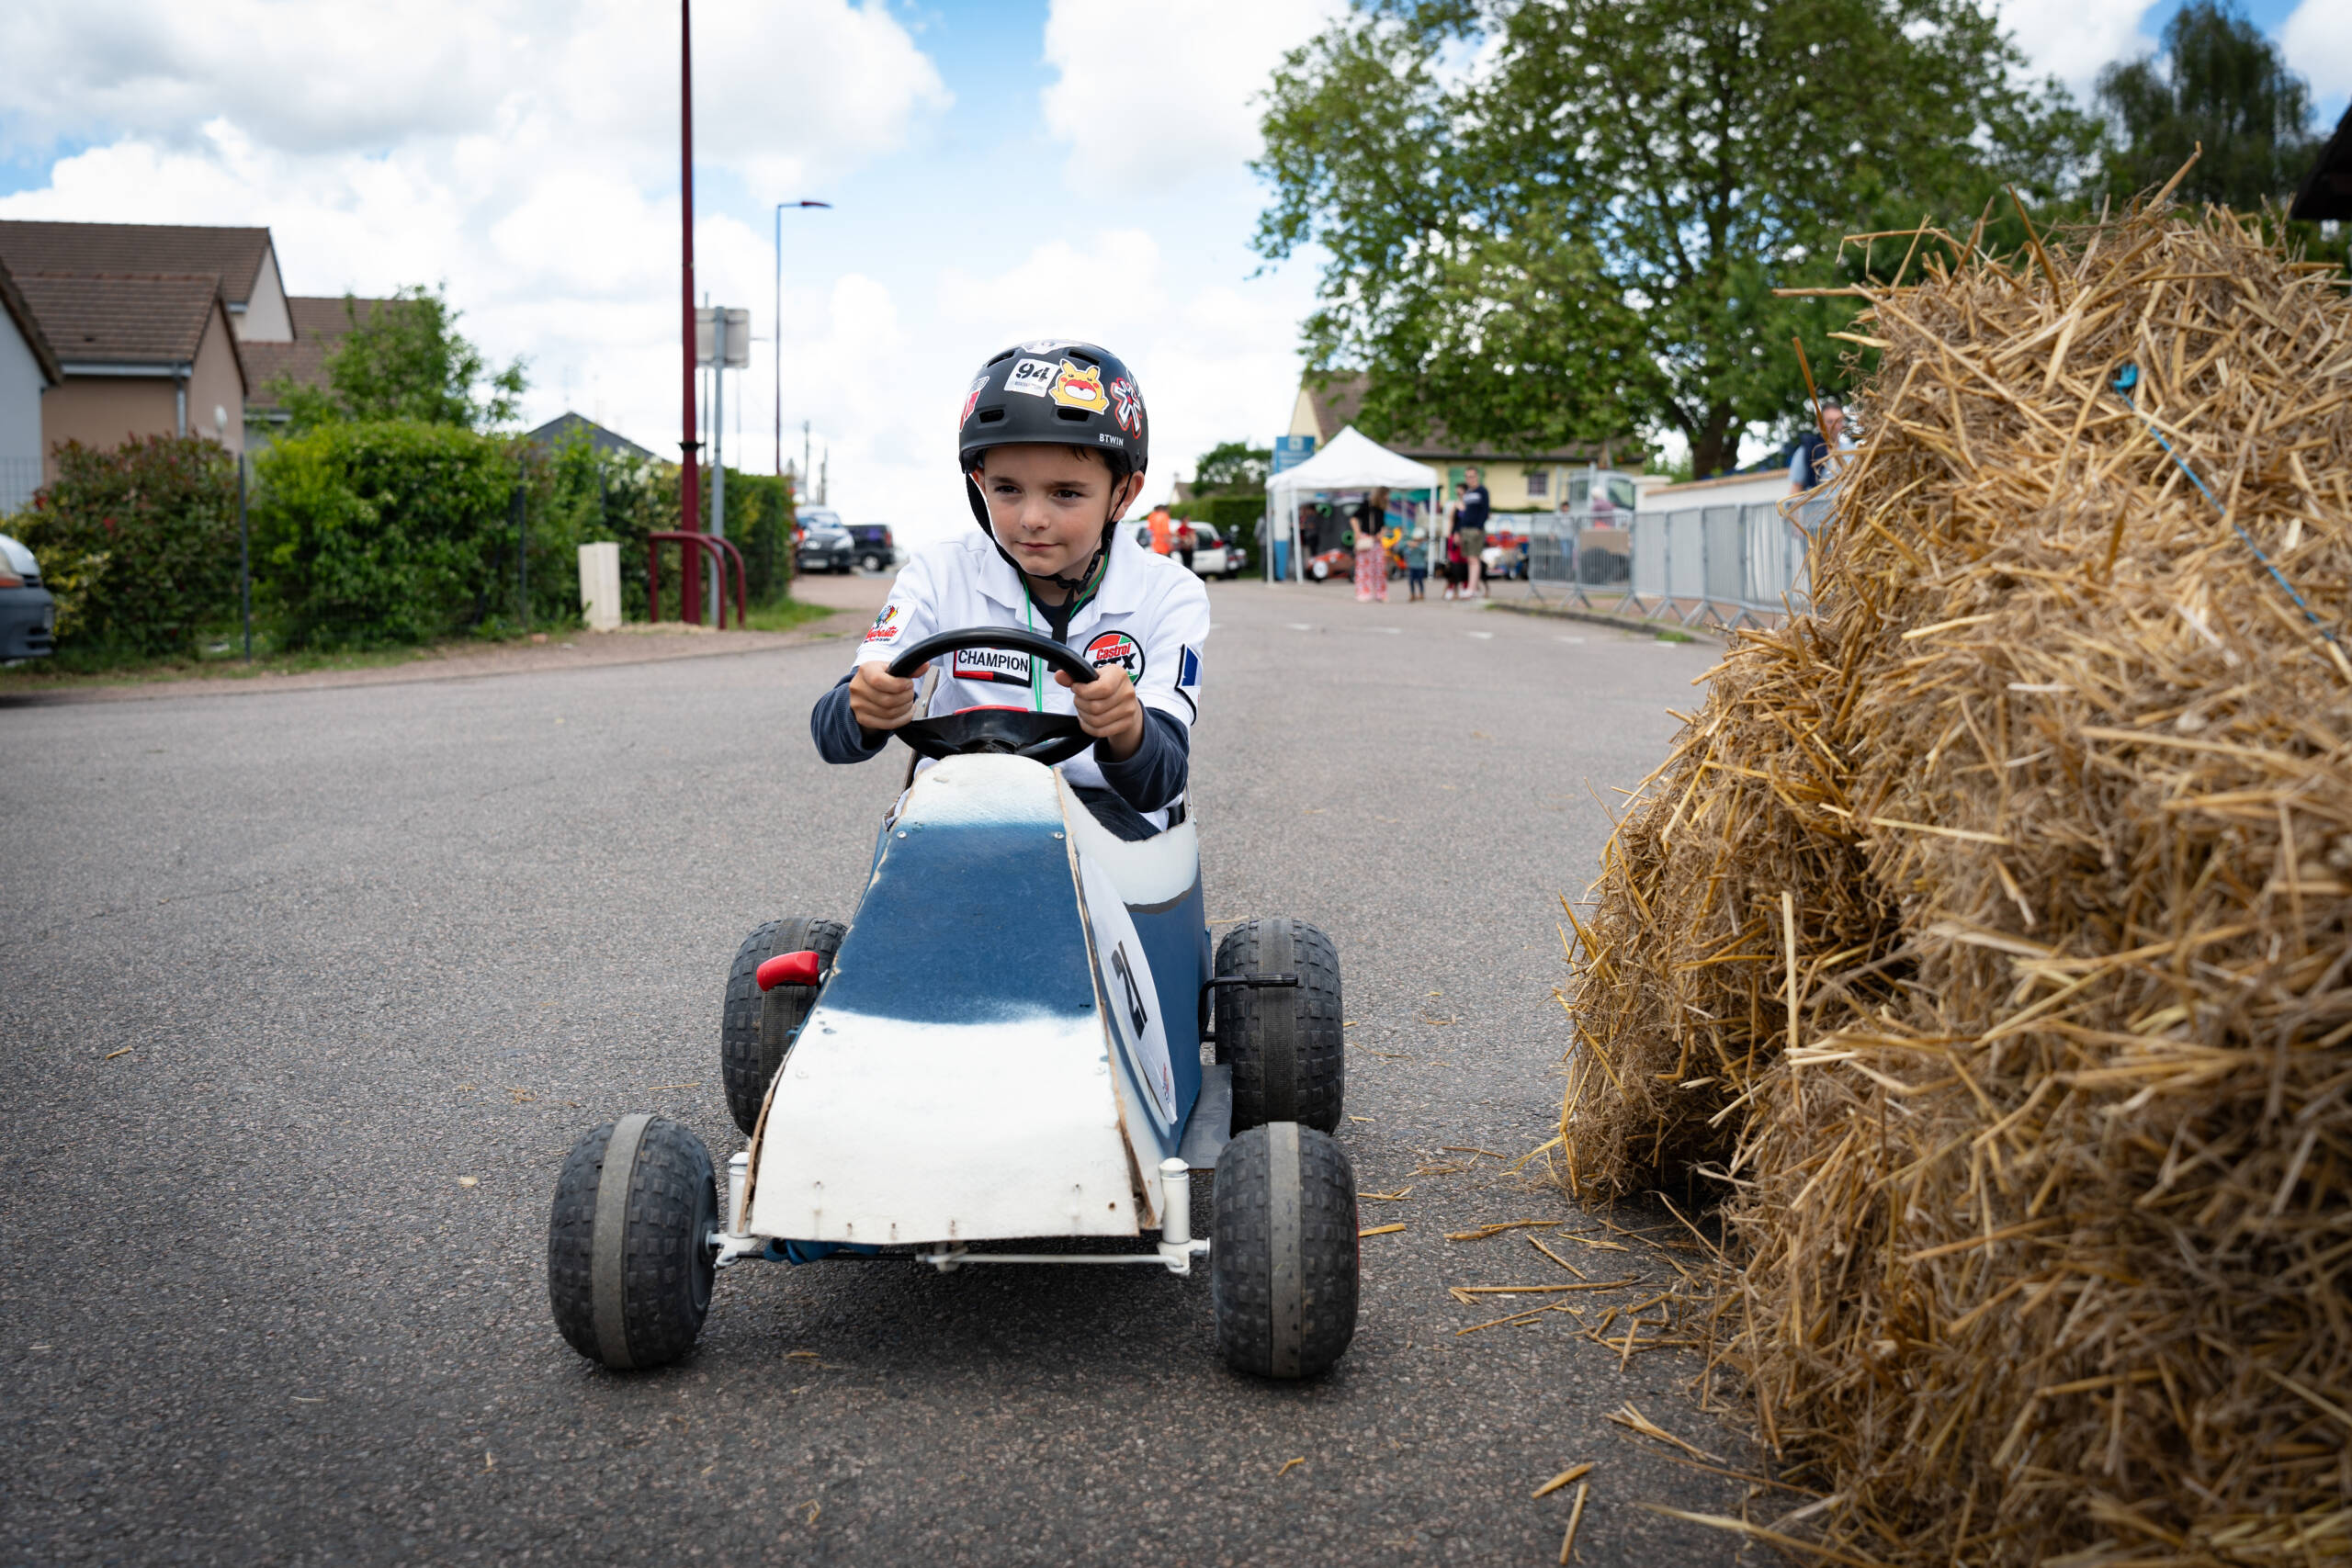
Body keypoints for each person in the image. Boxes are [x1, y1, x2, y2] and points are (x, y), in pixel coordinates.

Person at [808, 341, 1208, 841]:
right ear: (979, 481)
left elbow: (1161, 781)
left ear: (1124, 492)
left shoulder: (1169, 594)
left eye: (1066, 493)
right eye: (1008, 489)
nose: (1032, 518)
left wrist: (1127, 727)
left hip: (1109, 816)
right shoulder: (940, 571)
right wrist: (864, 709)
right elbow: (833, 738)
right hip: (956, 805)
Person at [1788, 395, 1849, 496]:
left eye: (1838, 421)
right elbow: (1796, 488)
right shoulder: (1807, 452)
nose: (1835, 426)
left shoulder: (1852, 451)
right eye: (1830, 421)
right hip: (1818, 506)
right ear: (1819, 424)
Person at [1452, 465, 1490, 597]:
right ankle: (1472, 587)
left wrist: (1479, 527)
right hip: (1465, 529)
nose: (1470, 479)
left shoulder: (1482, 491)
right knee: (1469, 559)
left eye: (1472, 476)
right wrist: (1457, 531)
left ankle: (1472, 589)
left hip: (1475, 530)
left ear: (1477, 476)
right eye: (1467, 477)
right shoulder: (1467, 493)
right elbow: (1463, 514)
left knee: (1474, 559)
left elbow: (1485, 511)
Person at [1351, 487, 1389, 604]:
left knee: (1379, 568)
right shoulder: (1367, 504)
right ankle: (1363, 592)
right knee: (1364, 569)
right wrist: (1357, 533)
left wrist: (1381, 533)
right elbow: (1353, 518)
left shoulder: (1381, 507)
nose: (1387, 497)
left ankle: (1381, 593)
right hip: (1366, 539)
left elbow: (1383, 524)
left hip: (1377, 541)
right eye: (1386, 494)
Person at [1403, 529, 1429, 601]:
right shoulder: (1411, 544)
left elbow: (1424, 551)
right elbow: (1406, 552)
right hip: (1412, 565)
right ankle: (1412, 594)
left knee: (1420, 580)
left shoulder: (1423, 545)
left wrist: (1417, 546)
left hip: (1420, 566)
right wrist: (1410, 547)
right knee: (1411, 581)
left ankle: (1421, 593)